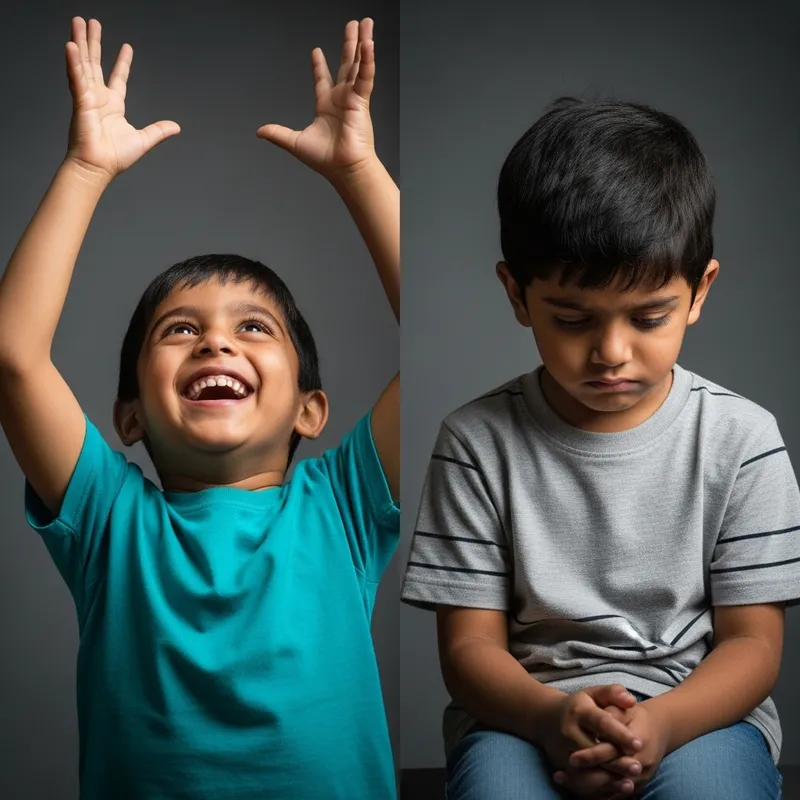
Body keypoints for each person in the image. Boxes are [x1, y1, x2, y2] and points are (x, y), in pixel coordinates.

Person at [0, 15, 399, 800]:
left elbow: (434, 317)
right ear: (129, 419)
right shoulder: (109, 521)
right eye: (180, 331)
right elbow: (13, 358)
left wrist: (358, 170)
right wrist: (85, 167)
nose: (215, 345)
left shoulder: (345, 507)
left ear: (310, 411)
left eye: (254, 328)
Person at [401, 97, 798, 799]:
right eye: (571, 318)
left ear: (700, 289)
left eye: (648, 317)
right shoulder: (476, 443)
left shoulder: (744, 440)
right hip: (519, 717)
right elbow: (468, 651)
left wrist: (665, 725)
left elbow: (753, 646)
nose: (611, 353)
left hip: (699, 716)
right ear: (517, 295)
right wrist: (552, 716)